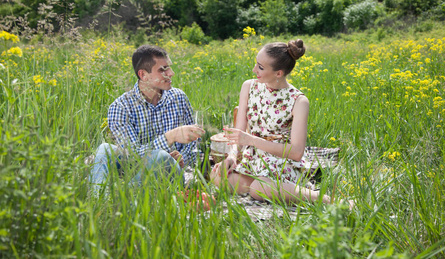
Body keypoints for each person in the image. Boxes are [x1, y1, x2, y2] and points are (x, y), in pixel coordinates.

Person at [211, 39, 351, 207]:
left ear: (278, 73)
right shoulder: (249, 87)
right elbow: (239, 134)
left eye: (261, 67)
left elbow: (296, 152)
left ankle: (324, 198)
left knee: (258, 189)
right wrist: (232, 157)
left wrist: (251, 140)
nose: (254, 70)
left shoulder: (298, 101)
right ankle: (278, 191)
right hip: (252, 160)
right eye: (256, 63)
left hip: (280, 163)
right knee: (216, 176)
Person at [90, 45, 205, 190]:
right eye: (162, 70)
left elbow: (195, 143)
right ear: (143, 75)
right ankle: (99, 199)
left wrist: (181, 158)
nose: (171, 73)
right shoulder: (120, 107)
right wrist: (169, 137)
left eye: (168, 67)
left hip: (174, 174)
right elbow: (132, 156)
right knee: (105, 148)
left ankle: (123, 201)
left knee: (162, 157)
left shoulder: (179, 97)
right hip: (136, 172)